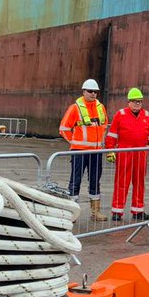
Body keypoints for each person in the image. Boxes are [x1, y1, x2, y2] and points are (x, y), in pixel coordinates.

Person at [58, 78, 108, 221]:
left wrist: (100, 143)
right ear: (84, 91)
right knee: (75, 180)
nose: (93, 94)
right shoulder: (75, 108)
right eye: (90, 91)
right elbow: (63, 129)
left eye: (96, 92)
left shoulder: (100, 107)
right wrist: (75, 142)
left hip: (96, 152)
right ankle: (72, 212)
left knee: (95, 180)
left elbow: (104, 125)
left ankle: (95, 212)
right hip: (79, 151)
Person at [105, 87, 149, 222]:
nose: (136, 104)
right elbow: (112, 134)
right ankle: (117, 211)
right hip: (124, 153)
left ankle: (138, 210)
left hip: (140, 153)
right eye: (134, 102)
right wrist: (110, 150)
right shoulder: (120, 115)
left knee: (139, 183)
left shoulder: (146, 115)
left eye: (139, 102)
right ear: (128, 102)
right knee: (122, 182)